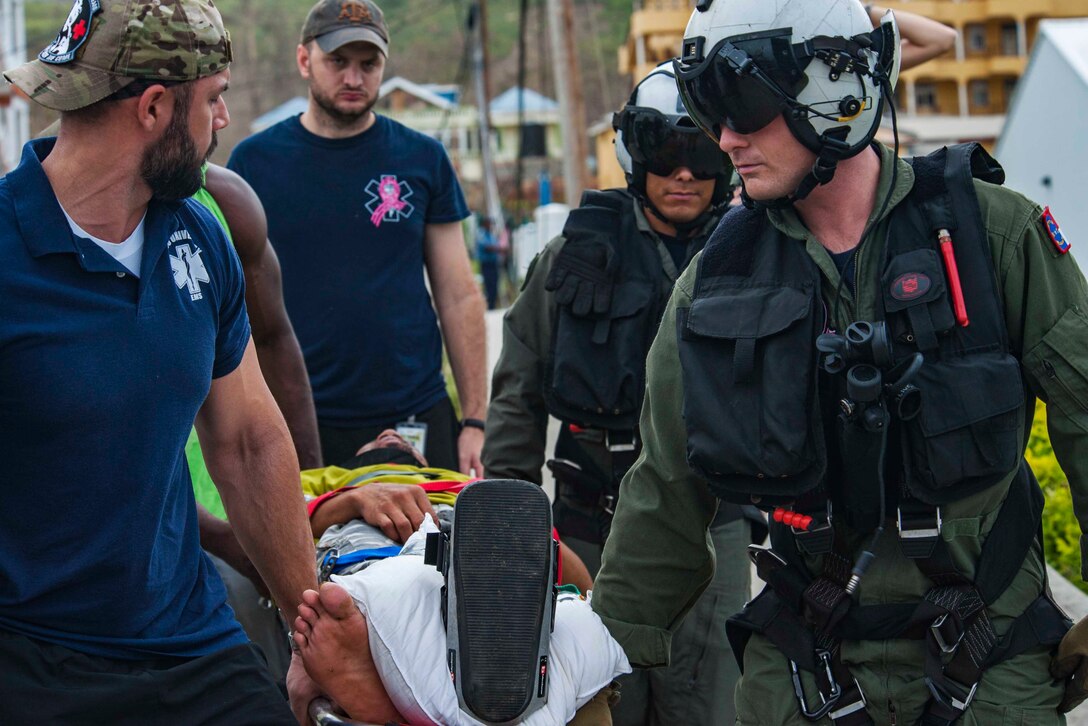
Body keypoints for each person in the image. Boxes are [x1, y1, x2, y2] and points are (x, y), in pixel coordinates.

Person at [591, 0, 1088, 724]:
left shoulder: (992, 235)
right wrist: (599, 662)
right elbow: (663, 488)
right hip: (806, 665)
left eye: (745, 108)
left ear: (833, 90)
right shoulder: (715, 282)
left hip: (991, 656)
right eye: (711, 111)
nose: (725, 139)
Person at [0, 0, 319, 723]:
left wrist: (313, 634)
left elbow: (246, 439)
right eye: (215, 100)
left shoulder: (199, 238)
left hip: (193, 646)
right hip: (30, 656)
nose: (224, 123)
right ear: (152, 108)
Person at [484, 63, 754, 725]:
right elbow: (517, 395)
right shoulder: (572, 259)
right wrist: (508, 531)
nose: (684, 174)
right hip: (590, 533)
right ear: (636, 155)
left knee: (709, 706)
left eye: (699, 152)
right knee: (595, 707)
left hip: (712, 530)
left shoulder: (757, 258)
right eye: (665, 152)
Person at [227, 0, 488, 475]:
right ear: (304, 60)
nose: (354, 78)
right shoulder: (253, 165)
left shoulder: (422, 159)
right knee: (313, 551)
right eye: (338, 62)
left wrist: (474, 420)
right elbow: (233, 308)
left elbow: (458, 294)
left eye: (368, 65)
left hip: (415, 414)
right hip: (300, 422)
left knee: (431, 548)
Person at [476, 216, 502, 309]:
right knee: (488, 285)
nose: (490, 225)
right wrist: (499, 249)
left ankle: (492, 305)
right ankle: (489, 306)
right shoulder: (481, 234)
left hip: (494, 264)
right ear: (484, 224)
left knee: (494, 284)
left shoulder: (491, 235)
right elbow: (487, 247)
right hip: (486, 265)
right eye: (489, 223)